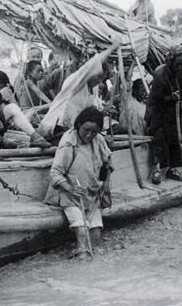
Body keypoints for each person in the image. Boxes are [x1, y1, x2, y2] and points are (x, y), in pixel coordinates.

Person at [44, 106, 113, 258]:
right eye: (86, 130)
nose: (89, 135)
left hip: (93, 195)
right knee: (82, 233)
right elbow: (55, 173)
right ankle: (80, 258)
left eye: (94, 132)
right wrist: (70, 187)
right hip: (70, 197)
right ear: (78, 125)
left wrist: (106, 184)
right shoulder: (69, 143)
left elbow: (108, 164)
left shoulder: (99, 140)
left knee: (95, 237)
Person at [145, 45, 182, 183]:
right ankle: (158, 168)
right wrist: (170, 98)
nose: (181, 68)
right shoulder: (160, 73)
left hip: (174, 111)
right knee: (161, 138)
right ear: (170, 61)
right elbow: (156, 98)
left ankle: (173, 169)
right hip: (159, 111)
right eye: (178, 65)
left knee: (175, 138)